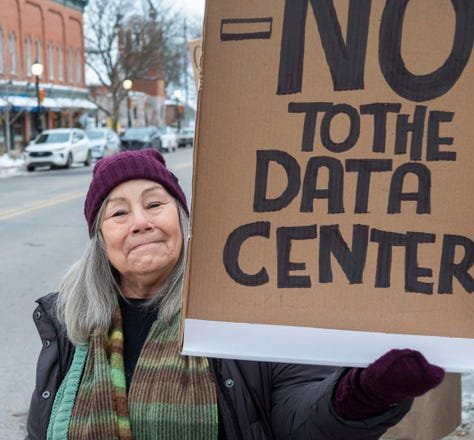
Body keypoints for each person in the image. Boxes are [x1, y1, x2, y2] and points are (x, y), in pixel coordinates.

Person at [27, 148, 445, 439]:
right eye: (118, 213)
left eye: (155, 204)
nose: (140, 222)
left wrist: (362, 395)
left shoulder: (238, 305)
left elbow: (298, 417)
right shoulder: (71, 325)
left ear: (182, 218)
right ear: (100, 238)